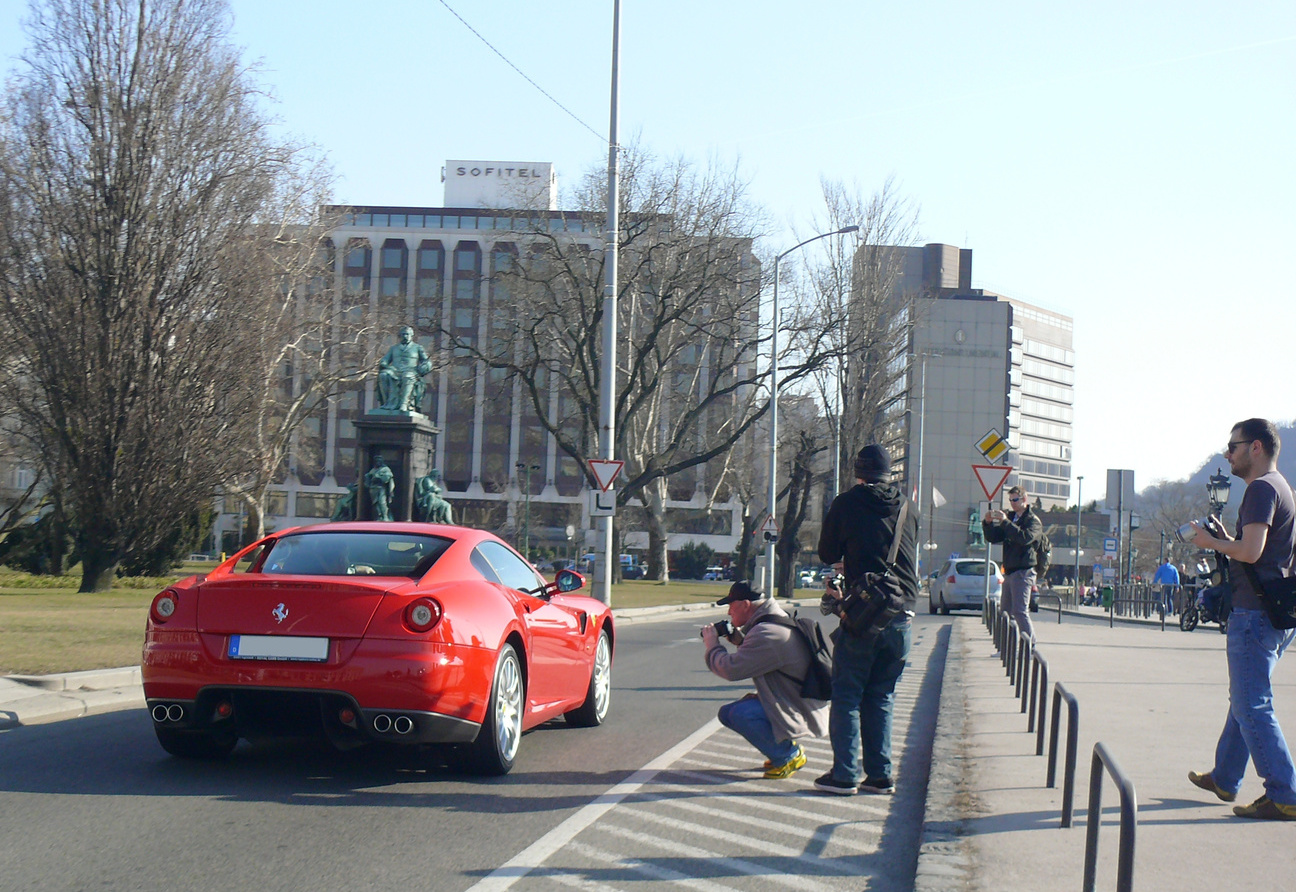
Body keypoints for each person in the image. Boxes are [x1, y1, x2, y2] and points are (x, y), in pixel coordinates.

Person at [1187, 418, 1296, 820]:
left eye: (1232, 447)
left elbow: (1250, 551)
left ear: (1256, 448)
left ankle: (1285, 794)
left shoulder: (1261, 489)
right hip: (1275, 611)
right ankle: (1226, 777)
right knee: (1246, 698)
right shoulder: (1285, 488)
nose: (1227, 454)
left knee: (1252, 704)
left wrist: (1210, 541)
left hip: (1254, 612)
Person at [814, 443, 918, 796]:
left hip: (863, 615)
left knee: (846, 694)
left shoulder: (846, 503)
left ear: (859, 472)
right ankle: (880, 775)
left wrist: (849, 557)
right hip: (901, 612)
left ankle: (844, 774)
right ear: (889, 474)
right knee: (882, 695)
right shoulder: (907, 507)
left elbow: (827, 551)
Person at [701, 580, 829, 779]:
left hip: (797, 707)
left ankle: (789, 755)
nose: (728, 612)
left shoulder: (768, 632)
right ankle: (782, 750)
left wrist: (712, 645)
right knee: (728, 713)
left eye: (731, 606)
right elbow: (765, 654)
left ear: (745, 605)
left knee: (739, 713)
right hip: (796, 699)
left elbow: (730, 670)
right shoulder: (774, 620)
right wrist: (739, 640)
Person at [982, 484, 1043, 644]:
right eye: (1010, 500)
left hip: (1024, 571)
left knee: (1020, 611)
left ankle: (1030, 645)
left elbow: (1024, 538)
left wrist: (1005, 522)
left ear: (1024, 499)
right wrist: (988, 524)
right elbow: (994, 537)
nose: (1012, 503)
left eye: (1015, 499)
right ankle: (1007, 649)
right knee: (1006, 613)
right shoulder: (1011, 519)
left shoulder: (1032, 520)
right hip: (1009, 571)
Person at [376, 326, 432, 413]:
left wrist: (424, 367)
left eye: (407, 334)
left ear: (411, 335)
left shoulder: (418, 348)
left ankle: (404, 404)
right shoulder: (393, 348)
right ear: (400, 336)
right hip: (394, 370)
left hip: (410, 370)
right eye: (403, 334)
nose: (405, 336)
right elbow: (385, 360)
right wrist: (383, 363)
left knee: (408, 377)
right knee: (383, 375)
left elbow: (426, 361)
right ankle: (387, 404)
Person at [364, 456, 395, 521]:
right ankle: (378, 516)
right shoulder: (373, 470)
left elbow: (388, 477)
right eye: (376, 461)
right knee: (375, 503)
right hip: (373, 489)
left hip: (381, 488)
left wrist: (378, 477)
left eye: (379, 461)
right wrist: (368, 478)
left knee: (382, 502)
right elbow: (368, 479)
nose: (378, 462)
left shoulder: (385, 469)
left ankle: (385, 516)